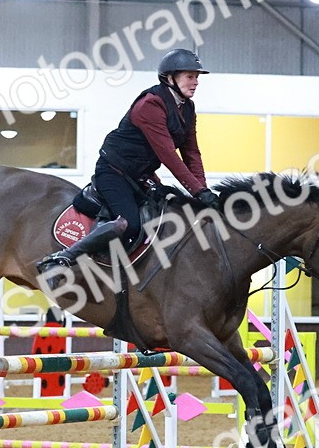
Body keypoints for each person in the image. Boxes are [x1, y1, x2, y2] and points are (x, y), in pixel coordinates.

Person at [36, 48, 219, 284]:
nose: (195, 83)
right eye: (190, 76)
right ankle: (60, 260)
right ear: (170, 78)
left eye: (197, 77)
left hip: (140, 176)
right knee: (128, 223)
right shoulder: (150, 105)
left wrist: (202, 191)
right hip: (113, 172)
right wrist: (198, 192)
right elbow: (168, 156)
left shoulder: (187, 108)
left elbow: (191, 152)